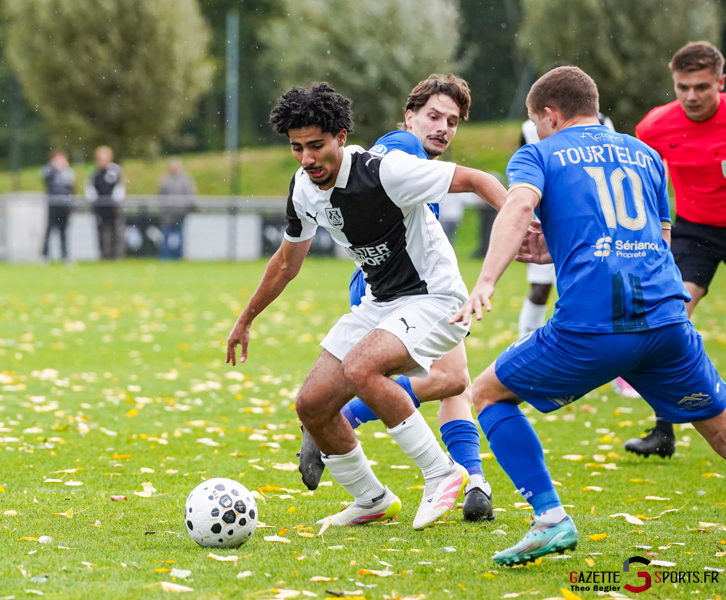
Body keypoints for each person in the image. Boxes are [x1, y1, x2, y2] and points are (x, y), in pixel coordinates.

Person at [451, 66, 726, 566]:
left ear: (549, 116)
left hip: (593, 328)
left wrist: (486, 281)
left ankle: (550, 519)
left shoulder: (538, 153)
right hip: (667, 320)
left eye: (537, 123)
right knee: (717, 428)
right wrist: (565, 250)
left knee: (488, 393)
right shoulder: (645, 154)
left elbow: (517, 208)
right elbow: (655, 241)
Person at [226, 82, 507, 529]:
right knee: (312, 404)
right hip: (381, 302)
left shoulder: (386, 170)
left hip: (434, 297)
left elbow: (476, 179)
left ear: (340, 137)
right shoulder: (303, 188)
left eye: (316, 146)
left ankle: (444, 473)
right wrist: (245, 320)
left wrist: (521, 223)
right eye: (297, 148)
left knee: (366, 368)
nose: (307, 159)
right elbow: (285, 264)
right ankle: (372, 498)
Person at [625, 41, 726, 458]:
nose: (690, 97)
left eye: (701, 87)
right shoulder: (653, 128)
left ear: (720, 83)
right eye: (682, 87)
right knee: (669, 319)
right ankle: (663, 430)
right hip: (695, 229)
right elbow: (641, 183)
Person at [517, 108, 616, 340]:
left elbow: (611, 167)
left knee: (596, 286)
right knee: (540, 288)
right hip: (550, 223)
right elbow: (526, 176)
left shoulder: (601, 122)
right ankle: (524, 341)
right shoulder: (528, 128)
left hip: (593, 224)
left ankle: (601, 346)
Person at [85, 146, 125, 260]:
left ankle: (117, 256)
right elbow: (90, 189)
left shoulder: (116, 171)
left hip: (114, 208)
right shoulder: (94, 172)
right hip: (100, 208)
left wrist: (115, 200)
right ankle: (104, 256)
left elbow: (120, 188)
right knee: (102, 233)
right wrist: (95, 201)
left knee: (116, 232)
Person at [157, 159, 196, 259]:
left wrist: (183, 207)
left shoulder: (185, 180)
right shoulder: (165, 180)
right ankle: (163, 257)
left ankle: (179, 257)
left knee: (180, 236)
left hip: (180, 213)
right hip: (168, 213)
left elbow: (190, 196)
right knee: (165, 236)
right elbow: (160, 195)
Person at [42, 151, 75, 263]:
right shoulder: (49, 170)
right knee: (49, 230)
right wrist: (54, 168)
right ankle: (45, 255)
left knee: (64, 232)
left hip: (65, 206)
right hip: (53, 205)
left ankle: (64, 256)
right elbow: (45, 179)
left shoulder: (69, 173)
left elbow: (72, 189)